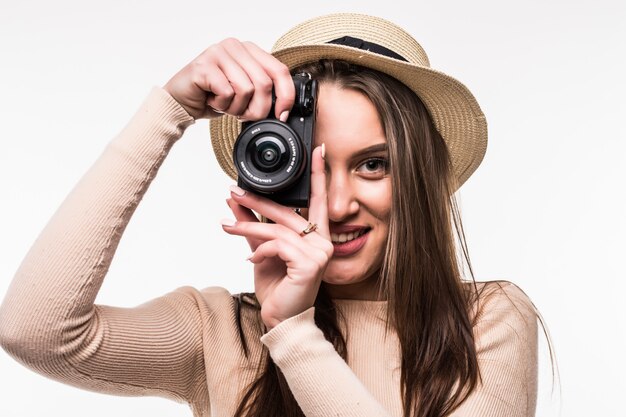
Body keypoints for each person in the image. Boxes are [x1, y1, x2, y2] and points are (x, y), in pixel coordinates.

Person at [0, 12, 545, 417]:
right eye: (312, 168)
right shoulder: (220, 332)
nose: (335, 205)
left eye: (373, 165)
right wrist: (170, 109)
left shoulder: (486, 321)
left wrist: (294, 334)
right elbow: (34, 331)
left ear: (418, 182)